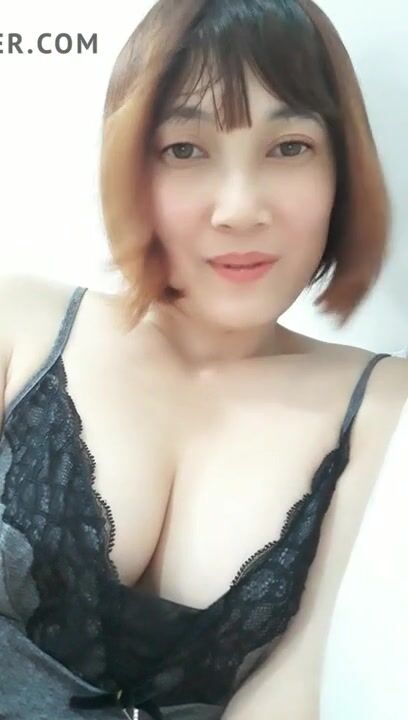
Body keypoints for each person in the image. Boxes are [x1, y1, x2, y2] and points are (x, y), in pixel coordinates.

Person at [0, 1, 407, 719]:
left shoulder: (383, 406)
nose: (239, 209)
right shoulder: (19, 325)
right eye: (184, 150)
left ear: (342, 169)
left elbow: (298, 685)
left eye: (290, 147)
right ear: (131, 166)